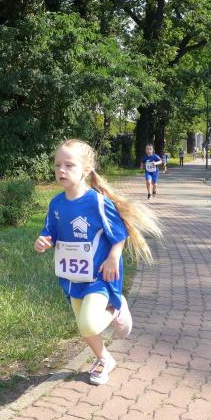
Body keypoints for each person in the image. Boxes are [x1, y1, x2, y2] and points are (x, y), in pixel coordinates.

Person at [35, 139, 161, 385]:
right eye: (57, 165)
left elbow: (119, 233)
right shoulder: (56, 203)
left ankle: (116, 308)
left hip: (101, 275)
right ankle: (104, 359)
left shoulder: (97, 202)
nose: (61, 170)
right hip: (73, 277)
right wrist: (43, 241)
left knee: (89, 323)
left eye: (69, 165)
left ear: (86, 170)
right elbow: (50, 233)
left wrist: (114, 257)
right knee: (84, 327)